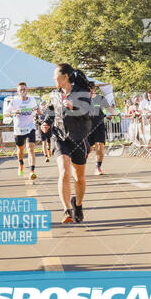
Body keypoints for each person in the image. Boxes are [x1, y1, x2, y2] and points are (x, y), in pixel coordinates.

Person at [41, 63, 91, 224]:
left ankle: (78, 205)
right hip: (60, 137)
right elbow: (50, 111)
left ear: (65, 77)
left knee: (79, 178)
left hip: (78, 137)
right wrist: (45, 123)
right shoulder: (54, 94)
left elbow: (88, 112)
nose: (53, 79)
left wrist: (74, 106)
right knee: (64, 171)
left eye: (56, 76)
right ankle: (66, 210)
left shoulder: (80, 92)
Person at [4, 82, 38, 180]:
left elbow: (36, 109)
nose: (23, 91)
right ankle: (21, 164)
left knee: (31, 148)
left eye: (24, 89)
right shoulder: (14, 102)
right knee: (21, 149)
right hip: (19, 129)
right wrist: (13, 112)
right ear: (18, 92)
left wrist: (38, 112)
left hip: (30, 127)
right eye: (21, 90)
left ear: (27, 90)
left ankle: (32, 171)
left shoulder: (32, 100)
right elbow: (6, 113)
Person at [88, 81, 109, 175]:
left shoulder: (100, 98)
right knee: (88, 149)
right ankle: (79, 165)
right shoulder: (82, 100)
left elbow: (109, 109)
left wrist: (111, 113)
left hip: (99, 126)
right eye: (88, 88)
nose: (90, 90)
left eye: (92, 88)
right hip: (87, 128)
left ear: (94, 89)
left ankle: (98, 167)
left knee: (100, 147)